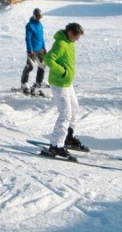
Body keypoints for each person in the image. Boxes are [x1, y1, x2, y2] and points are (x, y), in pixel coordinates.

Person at [43, 22, 86, 157]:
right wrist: (62, 72)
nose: (78, 39)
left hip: (67, 82)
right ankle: (56, 145)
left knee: (75, 109)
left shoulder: (70, 43)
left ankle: (67, 137)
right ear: (70, 33)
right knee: (65, 113)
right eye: (77, 36)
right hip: (59, 83)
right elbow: (48, 59)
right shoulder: (61, 43)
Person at [19, 8, 47, 94]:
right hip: (32, 50)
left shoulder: (40, 25)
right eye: (38, 16)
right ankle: (24, 83)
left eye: (40, 17)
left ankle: (39, 82)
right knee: (30, 66)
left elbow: (41, 38)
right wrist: (30, 49)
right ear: (34, 16)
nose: (39, 18)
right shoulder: (29, 25)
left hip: (40, 49)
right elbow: (28, 39)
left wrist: (44, 47)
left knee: (42, 65)